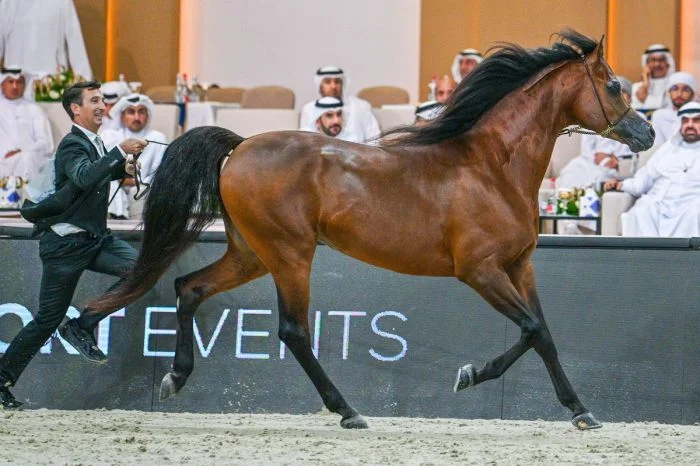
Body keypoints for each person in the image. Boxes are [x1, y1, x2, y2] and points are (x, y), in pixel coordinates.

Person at [0, 81, 147, 409]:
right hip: (65, 245)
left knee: (140, 271)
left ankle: (83, 325)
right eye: (94, 100)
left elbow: (87, 179)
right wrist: (119, 152)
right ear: (76, 109)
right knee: (47, 320)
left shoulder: (92, 142)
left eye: (102, 100)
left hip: (94, 239)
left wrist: (120, 170)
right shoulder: (72, 144)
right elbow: (82, 177)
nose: (101, 106)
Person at [604, 102, 700, 237]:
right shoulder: (666, 150)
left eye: (696, 120)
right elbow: (643, 180)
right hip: (660, 201)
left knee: (694, 212)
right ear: (679, 124)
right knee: (642, 210)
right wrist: (621, 185)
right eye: (685, 121)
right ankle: (649, 252)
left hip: (692, 202)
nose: (690, 125)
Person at [102, 93, 167, 219]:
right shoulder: (110, 137)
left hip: (143, 187)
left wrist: (136, 182)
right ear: (122, 116)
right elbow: (102, 168)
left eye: (141, 112)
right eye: (131, 112)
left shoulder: (157, 138)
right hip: (115, 186)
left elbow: (159, 173)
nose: (137, 117)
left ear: (147, 116)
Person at [0, 0, 92, 78]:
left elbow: (75, 43)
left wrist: (85, 83)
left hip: (53, 83)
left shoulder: (63, 2)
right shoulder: (7, 3)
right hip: (15, 83)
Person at [0, 66, 53, 181]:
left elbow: (45, 142)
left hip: (30, 159)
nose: (15, 86)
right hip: (2, 160)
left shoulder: (34, 109)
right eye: (10, 82)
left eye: (19, 82)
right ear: (2, 84)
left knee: (26, 159)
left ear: (25, 85)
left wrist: (24, 151)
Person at [299, 66, 380, 143]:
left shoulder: (361, 106)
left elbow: (375, 139)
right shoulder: (309, 108)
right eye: (327, 82)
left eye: (337, 82)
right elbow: (306, 141)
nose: (333, 86)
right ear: (320, 85)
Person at [650, 71, 697, 146]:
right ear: (669, 92)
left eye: (685, 89)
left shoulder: (697, 116)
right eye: (675, 89)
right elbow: (657, 146)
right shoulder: (659, 116)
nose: (679, 94)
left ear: (692, 94)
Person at [631, 44, 675, 111]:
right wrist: (645, 84)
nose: (657, 64)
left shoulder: (674, 87)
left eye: (661, 60)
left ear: (668, 63)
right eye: (653, 60)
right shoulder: (636, 87)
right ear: (646, 64)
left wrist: (645, 98)